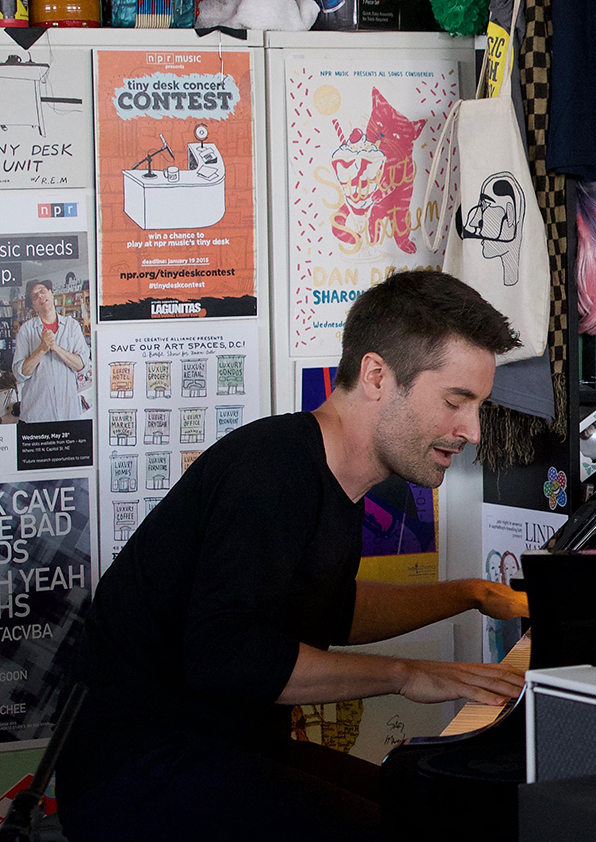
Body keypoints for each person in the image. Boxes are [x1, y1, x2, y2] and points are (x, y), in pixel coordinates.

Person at [56, 271, 528, 842]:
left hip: (220, 749)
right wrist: (407, 675)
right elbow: (228, 655)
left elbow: (329, 608)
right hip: (138, 773)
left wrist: (473, 595)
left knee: (433, 809)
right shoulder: (273, 471)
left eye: (478, 406)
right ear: (377, 376)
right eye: (456, 401)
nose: (472, 431)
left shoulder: (335, 478)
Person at [12, 278, 89, 423]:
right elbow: (20, 373)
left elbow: (82, 366)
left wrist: (55, 347)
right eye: (35, 296)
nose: (40, 296)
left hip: (68, 413)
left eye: (42, 290)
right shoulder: (26, 330)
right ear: (33, 306)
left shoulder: (72, 326)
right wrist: (42, 348)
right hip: (36, 416)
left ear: (51, 293)